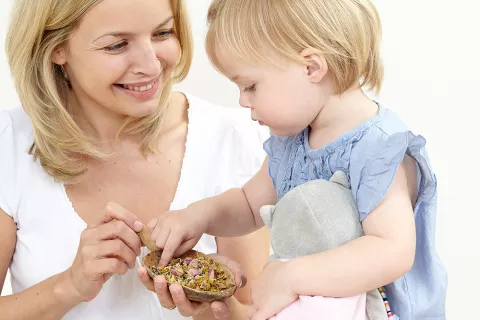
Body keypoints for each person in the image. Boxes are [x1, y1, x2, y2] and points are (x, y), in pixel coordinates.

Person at [147, 0, 448, 319]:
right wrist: (198, 216)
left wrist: (291, 277)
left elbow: (392, 251)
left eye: (250, 85)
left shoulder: (378, 148)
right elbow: (250, 204)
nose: (242, 101)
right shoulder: (291, 141)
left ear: (311, 67)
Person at [0, 0, 270, 319]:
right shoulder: (10, 143)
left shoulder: (232, 138)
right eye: (117, 45)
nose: (151, 65)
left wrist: (210, 306)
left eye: (163, 33)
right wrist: (69, 286)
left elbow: (255, 310)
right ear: (57, 48)